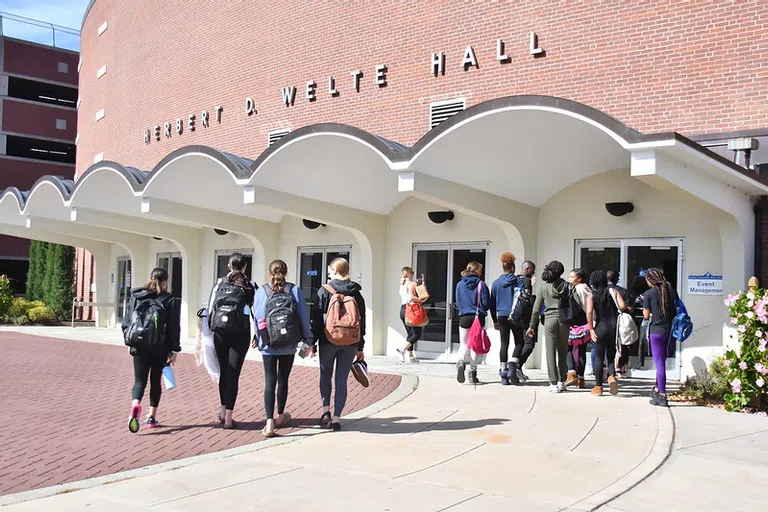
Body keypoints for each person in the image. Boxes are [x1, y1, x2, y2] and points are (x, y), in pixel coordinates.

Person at [253, 259, 312, 437]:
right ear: (286, 273)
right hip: (289, 343)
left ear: (269, 273)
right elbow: (303, 316)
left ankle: (269, 423)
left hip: (268, 344)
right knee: (283, 379)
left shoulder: (261, 291)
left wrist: (257, 338)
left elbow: (258, 318)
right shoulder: (295, 290)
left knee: (269, 380)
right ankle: (280, 416)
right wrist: (308, 339)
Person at [310, 257, 366, 431]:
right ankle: (337, 418)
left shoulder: (324, 291)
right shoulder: (356, 292)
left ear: (334, 271)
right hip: (350, 341)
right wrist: (360, 346)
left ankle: (325, 411)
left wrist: (312, 342)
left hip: (328, 339)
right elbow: (362, 321)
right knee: (342, 379)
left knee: (325, 374)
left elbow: (316, 319)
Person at [123, 267, 180, 432]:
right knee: (155, 381)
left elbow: (127, 321)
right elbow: (173, 328)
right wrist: (174, 349)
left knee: (139, 380)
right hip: (159, 347)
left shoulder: (137, 296)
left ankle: (135, 404)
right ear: (166, 281)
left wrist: (130, 341)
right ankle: (151, 417)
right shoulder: (169, 299)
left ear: (150, 278)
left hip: (139, 344)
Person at [208, 252, 256, 429]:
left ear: (229, 266)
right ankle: (229, 416)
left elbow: (211, 306)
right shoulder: (249, 285)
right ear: (245, 267)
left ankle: (222, 411)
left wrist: (210, 329)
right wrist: (257, 334)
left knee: (224, 372)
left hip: (220, 331)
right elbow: (255, 311)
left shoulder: (220, 283)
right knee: (234, 374)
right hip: (240, 333)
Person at [527, 261, 570, 393]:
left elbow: (536, 309)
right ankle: (562, 381)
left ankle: (553, 382)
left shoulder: (543, 287)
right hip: (564, 320)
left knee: (550, 352)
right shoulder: (567, 286)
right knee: (563, 351)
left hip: (550, 319)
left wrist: (531, 325)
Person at [490, 252, 532, 385]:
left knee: (504, 343)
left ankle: (503, 372)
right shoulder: (518, 281)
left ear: (503, 268)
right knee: (519, 342)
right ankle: (513, 364)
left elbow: (492, 303)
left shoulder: (496, 283)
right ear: (513, 268)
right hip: (515, 315)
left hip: (501, 315)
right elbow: (524, 298)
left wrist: (494, 320)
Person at [643, 268, 677, 407]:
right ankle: (657, 389)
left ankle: (662, 394)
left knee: (659, 363)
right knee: (662, 361)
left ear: (650, 280)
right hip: (670, 331)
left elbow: (646, 315)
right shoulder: (671, 291)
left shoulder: (649, 294)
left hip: (656, 331)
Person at [588, 270, 626, 397]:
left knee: (599, 357)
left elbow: (589, 312)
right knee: (611, 355)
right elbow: (622, 306)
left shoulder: (591, 295)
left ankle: (598, 387)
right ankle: (612, 377)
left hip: (600, 326)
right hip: (613, 327)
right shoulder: (613, 291)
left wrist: (591, 329)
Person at [455, 261, 491, 385]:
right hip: (477, 318)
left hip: (464, 317)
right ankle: (472, 373)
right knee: (475, 345)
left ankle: (460, 361)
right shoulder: (482, 284)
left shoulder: (460, 284)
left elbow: (458, 301)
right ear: (478, 271)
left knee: (463, 343)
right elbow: (486, 303)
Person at [565, 268, 593, 389]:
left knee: (568, 348)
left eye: (572, 277)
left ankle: (571, 373)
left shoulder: (578, 289)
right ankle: (581, 378)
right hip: (584, 323)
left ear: (579, 278)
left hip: (574, 322)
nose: (570, 279)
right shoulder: (588, 289)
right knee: (581, 350)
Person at [397, 266, 426, 364]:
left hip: (403, 309)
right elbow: (411, 297)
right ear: (409, 273)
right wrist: (421, 299)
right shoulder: (412, 283)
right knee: (417, 334)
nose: (413, 274)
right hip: (411, 309)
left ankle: (410, 356)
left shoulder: (402, 283)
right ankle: (402, 349)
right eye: (412, 272)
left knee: (410, 334)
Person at [608, 270, 633, 374]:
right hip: (620, 321)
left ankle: (605, 369)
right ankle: (621, 368)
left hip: (605, 322)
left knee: (605, 346)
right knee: (623, 343)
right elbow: (630, 308)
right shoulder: (623, 292)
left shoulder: (600, 291)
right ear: (617, 279)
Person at [516, 260, 537, 381]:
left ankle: (516, 366)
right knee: (529, 344)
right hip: (526, 318)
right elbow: (528, 300)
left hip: (515, 318)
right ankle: (516, 365)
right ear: (528, 269)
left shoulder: (516, 280)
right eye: (532, 270)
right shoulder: (526, 281)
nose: (534, 272)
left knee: (521, 344)